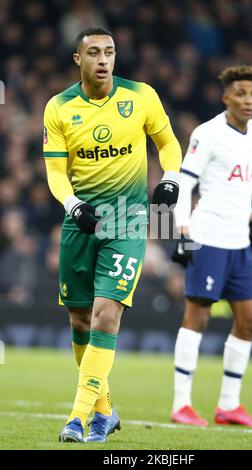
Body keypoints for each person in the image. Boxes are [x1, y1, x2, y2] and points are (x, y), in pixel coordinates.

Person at [43, 27, 181, 443]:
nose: (104, 60)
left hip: (129, 219)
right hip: (80, 220)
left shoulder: (141, 96)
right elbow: (54, 170)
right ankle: (106, 410)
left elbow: (168, 141)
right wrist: (72, 205)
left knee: (107, 312)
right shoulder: (59, 107)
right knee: (80, 318)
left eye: (110, 52)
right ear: (77, 59)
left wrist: (171, 178)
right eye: (94, 53)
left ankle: (78, 416)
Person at [171, 65, 252, 428]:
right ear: (225, 96)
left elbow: (242, 186)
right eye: (241, 93)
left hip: (238, 241)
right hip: (207, 237)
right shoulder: (207, 134)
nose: (248, 100)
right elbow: (183, 183)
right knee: (198, 317)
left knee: (250, 320)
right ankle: (181, 405)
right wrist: (180, 230)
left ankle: (229, 405)